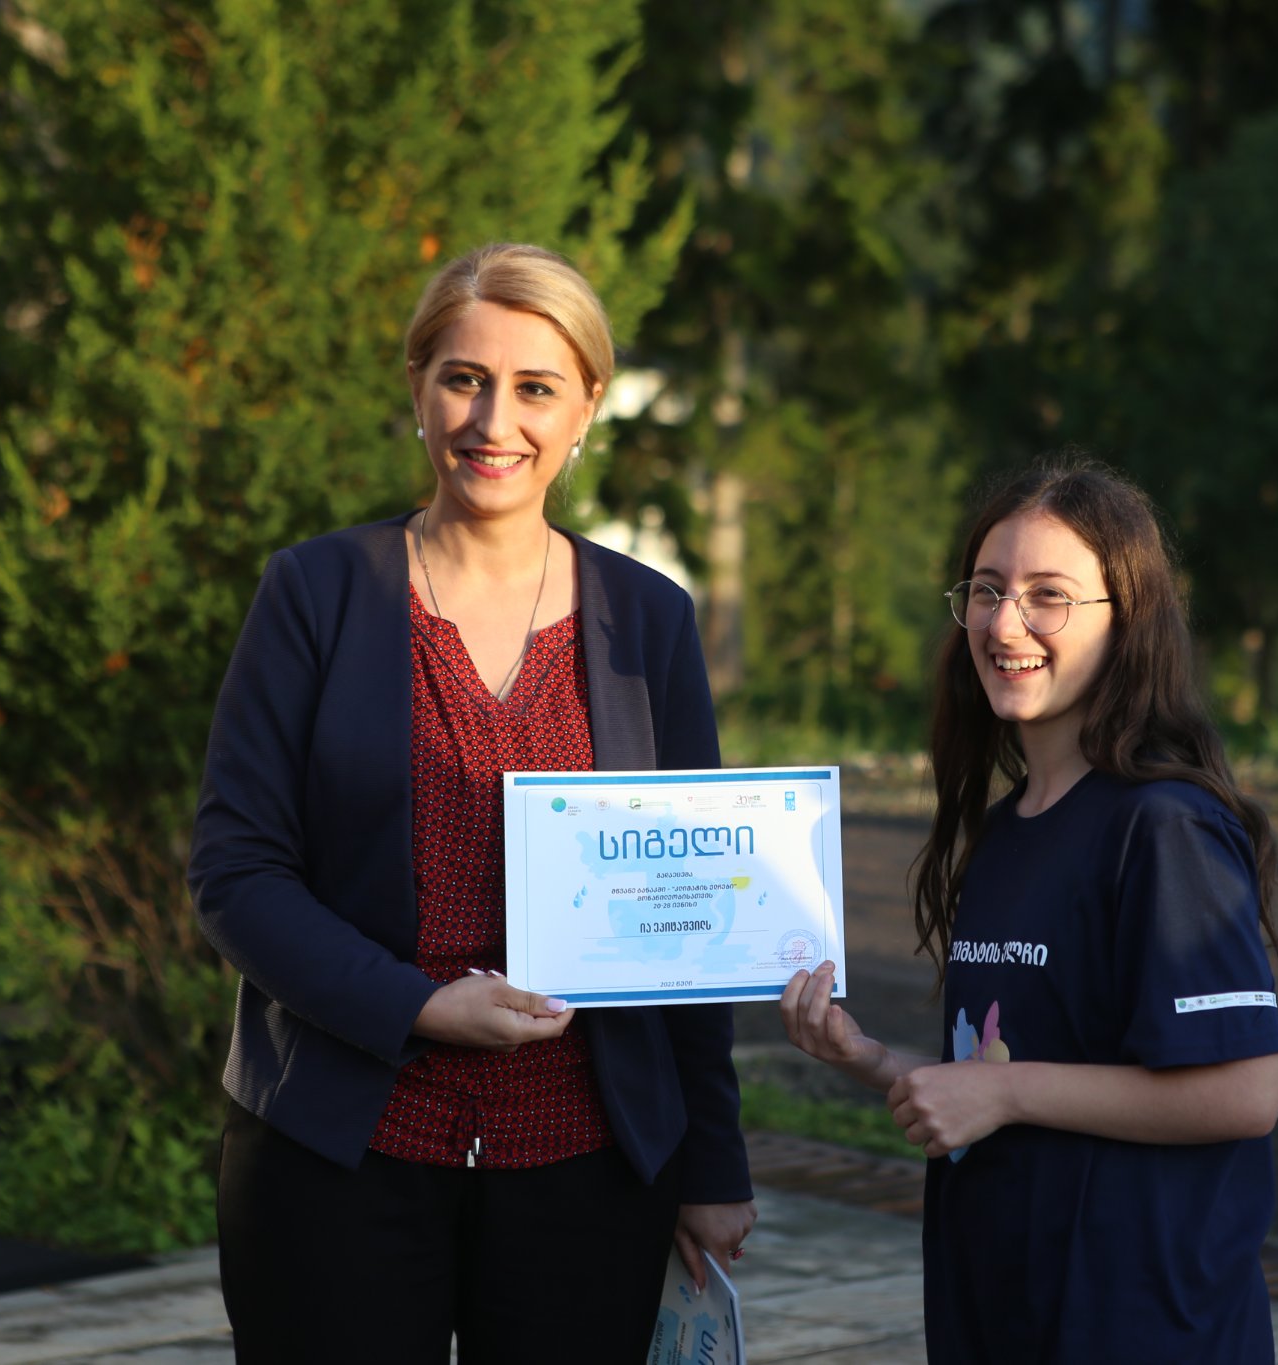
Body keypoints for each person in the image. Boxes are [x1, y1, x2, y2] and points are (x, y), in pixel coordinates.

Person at [189, 242, 755, 1364]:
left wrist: (712, 1161)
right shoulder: (315, 592)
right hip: (340, 1154)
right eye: (464, 378)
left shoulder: (650, 620)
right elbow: (236, 873)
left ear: (587, 405)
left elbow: (685, 913)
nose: (495, 421)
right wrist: (419, 1007)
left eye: (536, 386)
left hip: (587, 1170)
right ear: (417, 388)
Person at [780, 459, 1278, 1363]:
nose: (1004, 623)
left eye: (1047, 595)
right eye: (986, 590)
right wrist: (871, 1059)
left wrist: (1002, 1091)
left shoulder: (1164, 826)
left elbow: (1245, 1090)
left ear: (1128, 619)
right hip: (1004, 1309)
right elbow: (1002, 1077)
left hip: (1137, 1324)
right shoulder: (1009, 829)